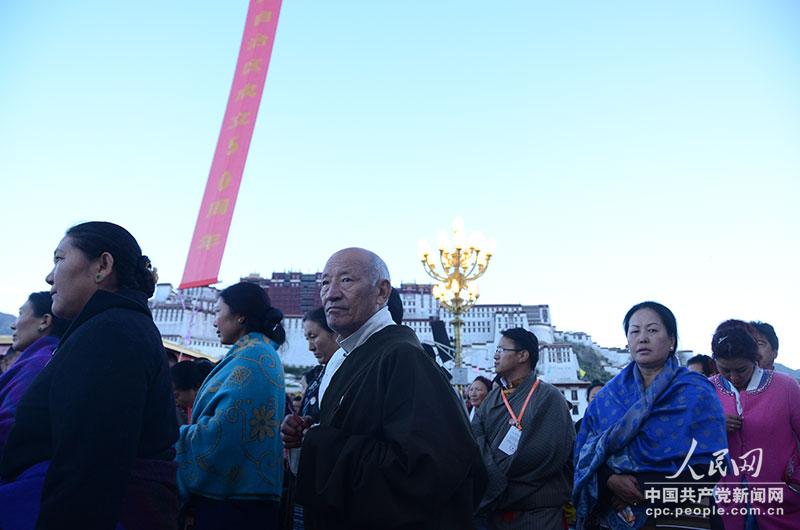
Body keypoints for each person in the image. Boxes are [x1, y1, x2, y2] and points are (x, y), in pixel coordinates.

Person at [281, 247, 486, 529]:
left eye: (346, 280)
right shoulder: (351, 357)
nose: (331, 293)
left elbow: (424, 471)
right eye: (325, 283)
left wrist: (318, 442)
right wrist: (306, 434)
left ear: (382, 292)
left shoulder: (403, 357)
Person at [0, 221, 178, 530]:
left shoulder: (111, 333)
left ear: (103, 266)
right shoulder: (112, 327)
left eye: (59, 259)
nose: (49, 276)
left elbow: (89, 469)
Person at [573, 301, 727, 530]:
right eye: (634, 331)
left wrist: (644, 489)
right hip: (614, 514)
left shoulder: (696, 391)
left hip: (681, 514)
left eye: (652, 330)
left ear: (671, 340)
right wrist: (609, 480)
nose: (642, 338)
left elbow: (713, 462)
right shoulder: (608, 397)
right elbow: (584, 452)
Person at [175, 281, 286, 530]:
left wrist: (173, 438)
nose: (214, 321)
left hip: (234, 508)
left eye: (217, 311)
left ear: (240, 316)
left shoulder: (253, 359)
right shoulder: (254, 354)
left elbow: (225, 433)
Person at [471, 327, 574, 529]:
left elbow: (545, 454)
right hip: (496, 514)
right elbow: (475, 437)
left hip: (538, 513)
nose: (495, 356)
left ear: (523, 356)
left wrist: (492, 473)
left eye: (501, 350)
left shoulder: (549, 397)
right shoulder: (492, 398)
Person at [710, 320, 800, 529]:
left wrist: (796, 482)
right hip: (728, 502)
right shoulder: (707, 389)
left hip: (781, 501)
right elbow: (688, 442)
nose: (734, 377)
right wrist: (712, 428)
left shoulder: (785, 387)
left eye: (741, 369)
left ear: (755, 359)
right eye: (725, 369)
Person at [0, 292, 69, 453]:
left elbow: (9, 429)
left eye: (20, 314)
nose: (13, 325)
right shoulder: (49, 358)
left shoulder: (39, 365)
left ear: (44, 321)